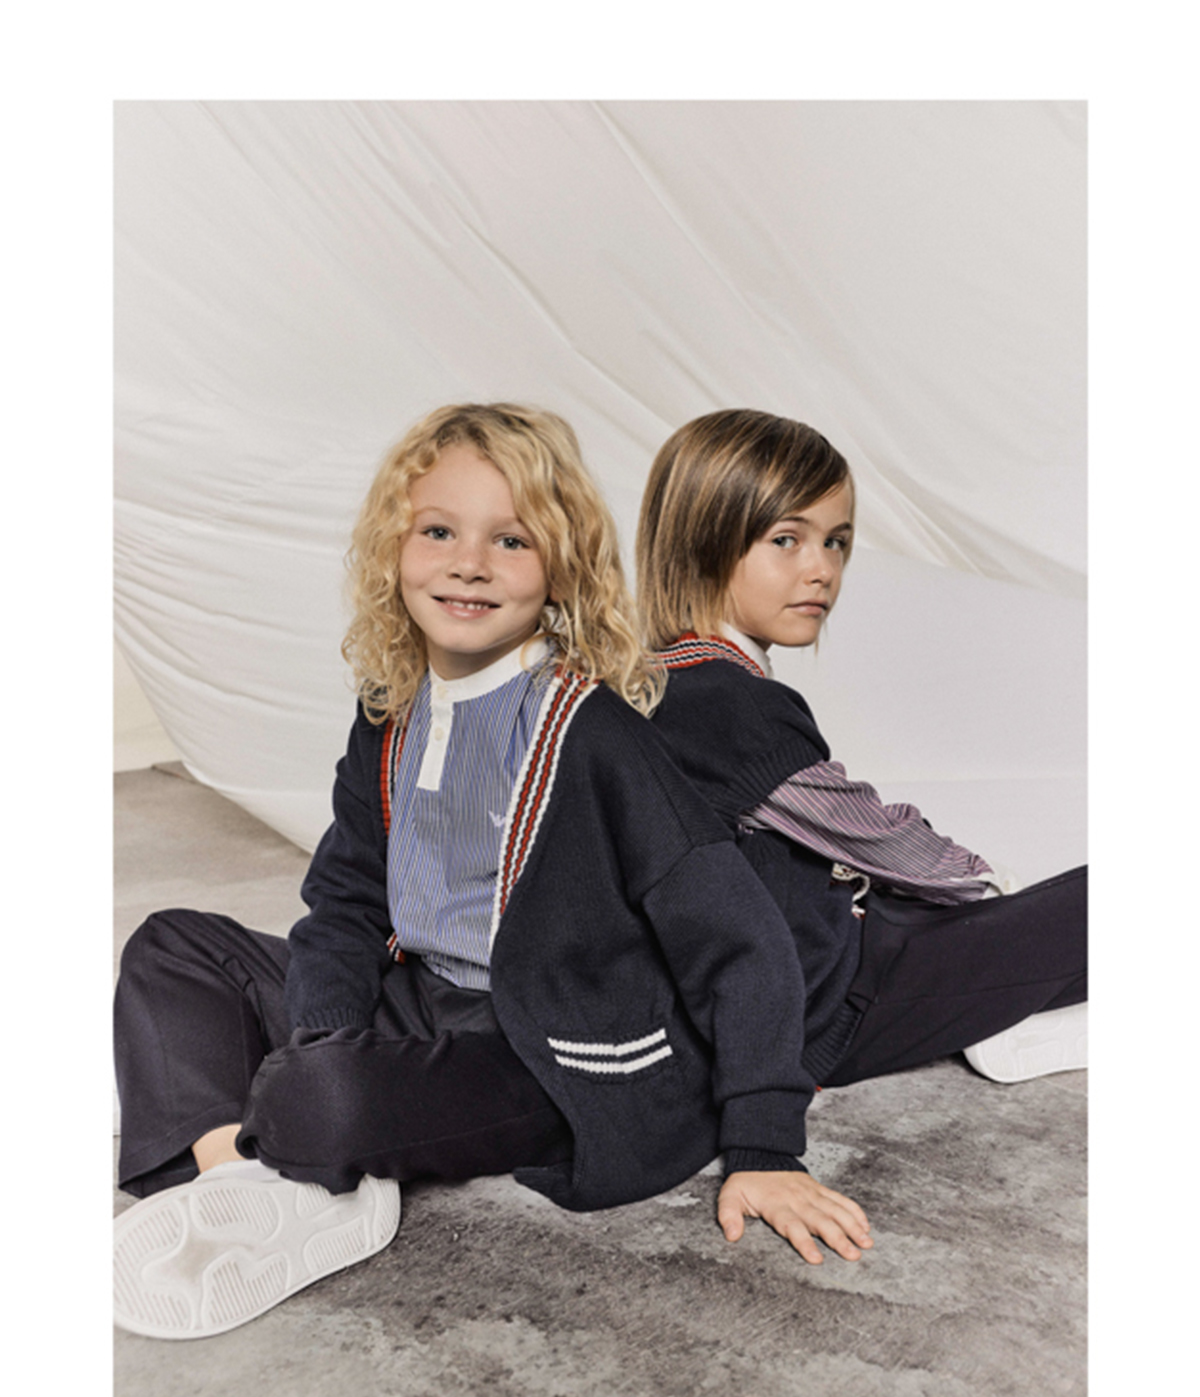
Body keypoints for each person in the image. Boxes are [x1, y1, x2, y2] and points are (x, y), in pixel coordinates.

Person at [113, 402, 874, 1342]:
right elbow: (346, 901)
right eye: (438, 531)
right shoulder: (392, 709)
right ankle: (246, 1180)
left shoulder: (592, 732)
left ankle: (298, 1140)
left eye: (510, 541)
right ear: (393, 548)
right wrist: (324, 1035)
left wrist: (764, 1143)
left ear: (561, 567)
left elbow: (741, 937)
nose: (468, 563)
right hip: (422, 995)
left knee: (316, 1096)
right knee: (173, 948)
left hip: (553, 1051)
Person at [635, 407, 1087, 1204]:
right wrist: (987, 883)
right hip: (840, 1003)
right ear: (703, 538)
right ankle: (1014, 1012)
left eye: (836, 542)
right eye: (787, 539)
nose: (821, 570)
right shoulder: (726, 703)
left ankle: (1018, 991)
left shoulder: (663, 680)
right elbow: (874, 835)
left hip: (841, 945)